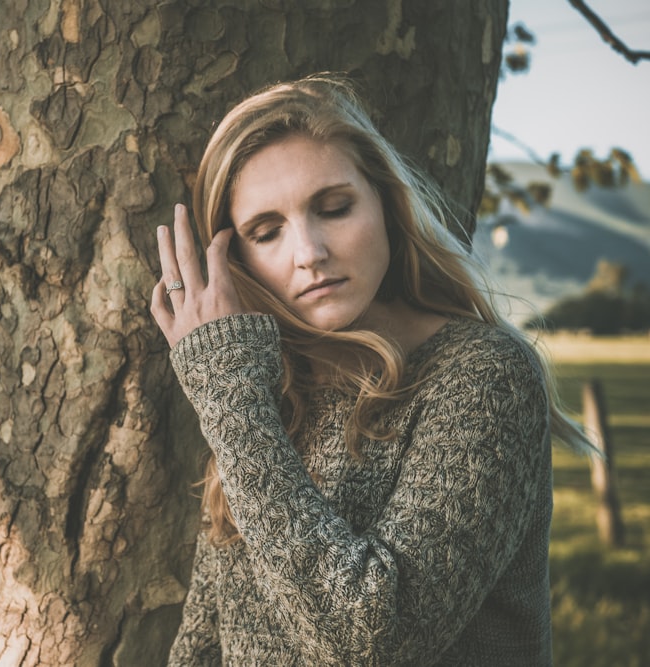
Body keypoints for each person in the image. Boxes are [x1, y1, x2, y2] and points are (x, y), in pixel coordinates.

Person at [150, 75, 592, 666]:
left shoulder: (484, 376)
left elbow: (372, 642)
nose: (308, 252)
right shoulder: (267, 390)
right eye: (267, 231)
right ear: (236, 262)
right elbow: (206, 642)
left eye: (334, 208)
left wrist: (229, 397)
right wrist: (238, 393)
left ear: (385, 203)